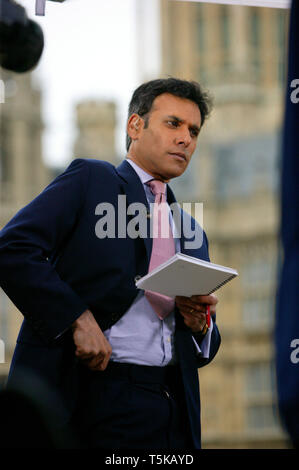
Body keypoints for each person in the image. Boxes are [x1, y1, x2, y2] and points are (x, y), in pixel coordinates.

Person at [0, 77, 221, 449]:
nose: (186, 138)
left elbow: (204, 344)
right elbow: (11, 247)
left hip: (172, 410)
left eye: (193, 131)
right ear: (135, 125)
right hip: (95, 395)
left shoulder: (191, 228)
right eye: (173, 124)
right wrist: (76, 318)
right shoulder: (93, 181)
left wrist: (200, 326)